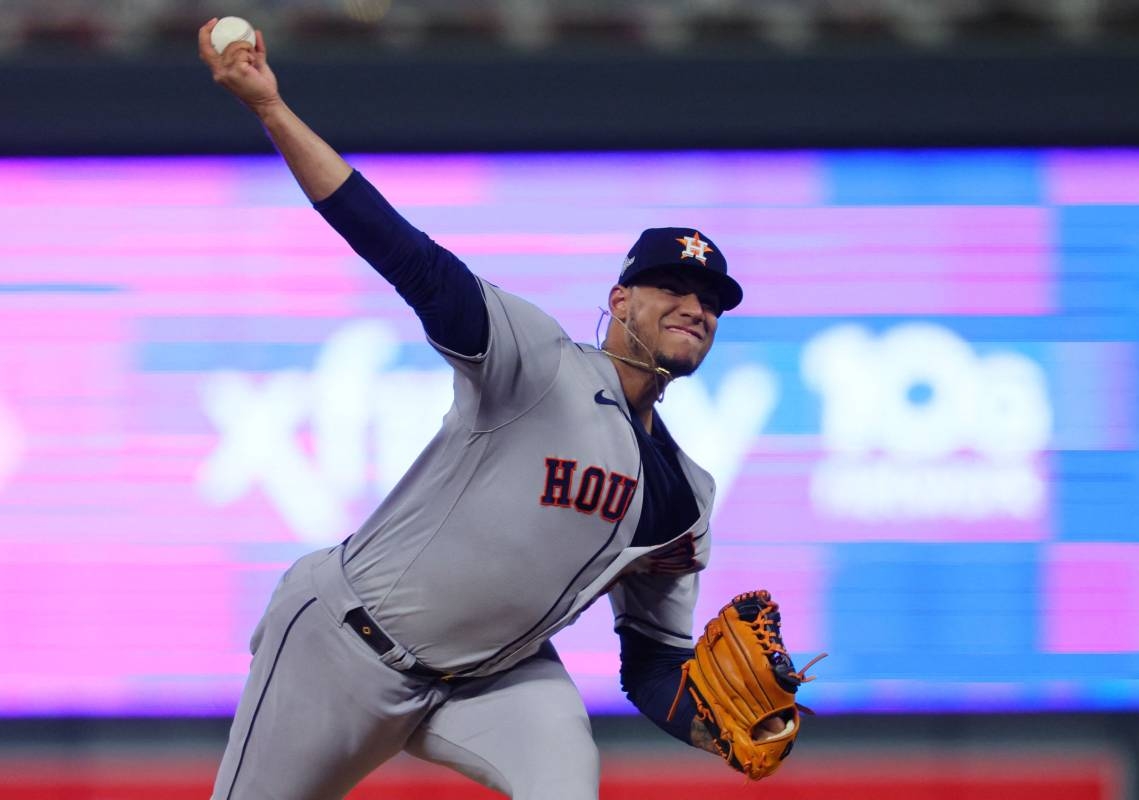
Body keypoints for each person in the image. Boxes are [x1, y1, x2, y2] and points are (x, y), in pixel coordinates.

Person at [198, 18, 770, 800]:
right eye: (673, 286)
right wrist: (272, 108)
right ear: (620, 299)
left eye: (710, 300)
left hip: (492, 683)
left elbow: (653, 661)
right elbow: (403, 252)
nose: (695, 306)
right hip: (344, 645)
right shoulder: (536, 362)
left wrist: (719, 725)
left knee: (566, 782)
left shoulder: (684, 498)